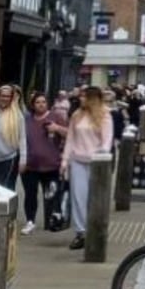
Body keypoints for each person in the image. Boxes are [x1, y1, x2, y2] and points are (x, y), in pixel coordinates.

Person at [60, 86, 113, 250]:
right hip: (78, 160)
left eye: (84, 97)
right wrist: (64, 160)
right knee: (78, 196)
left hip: (96, 162)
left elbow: (107, 139)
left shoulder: (104, 114)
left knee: (94, 198)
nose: (81, 99)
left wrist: (103, 155)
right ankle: (80, 232)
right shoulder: (77, 115)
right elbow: (70, 139)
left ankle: (94, 229)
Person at [21, 92, 67, 235]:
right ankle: (30, 221)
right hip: (31, 165)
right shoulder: (26, 120)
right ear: (33, 105)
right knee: (30, 194)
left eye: (43, 102)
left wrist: (57, 128)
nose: (41, 104)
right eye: (37, 102)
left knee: (51, 194)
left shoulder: (56, 117)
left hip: (51, 164)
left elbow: (70, 133)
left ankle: (52, 220)